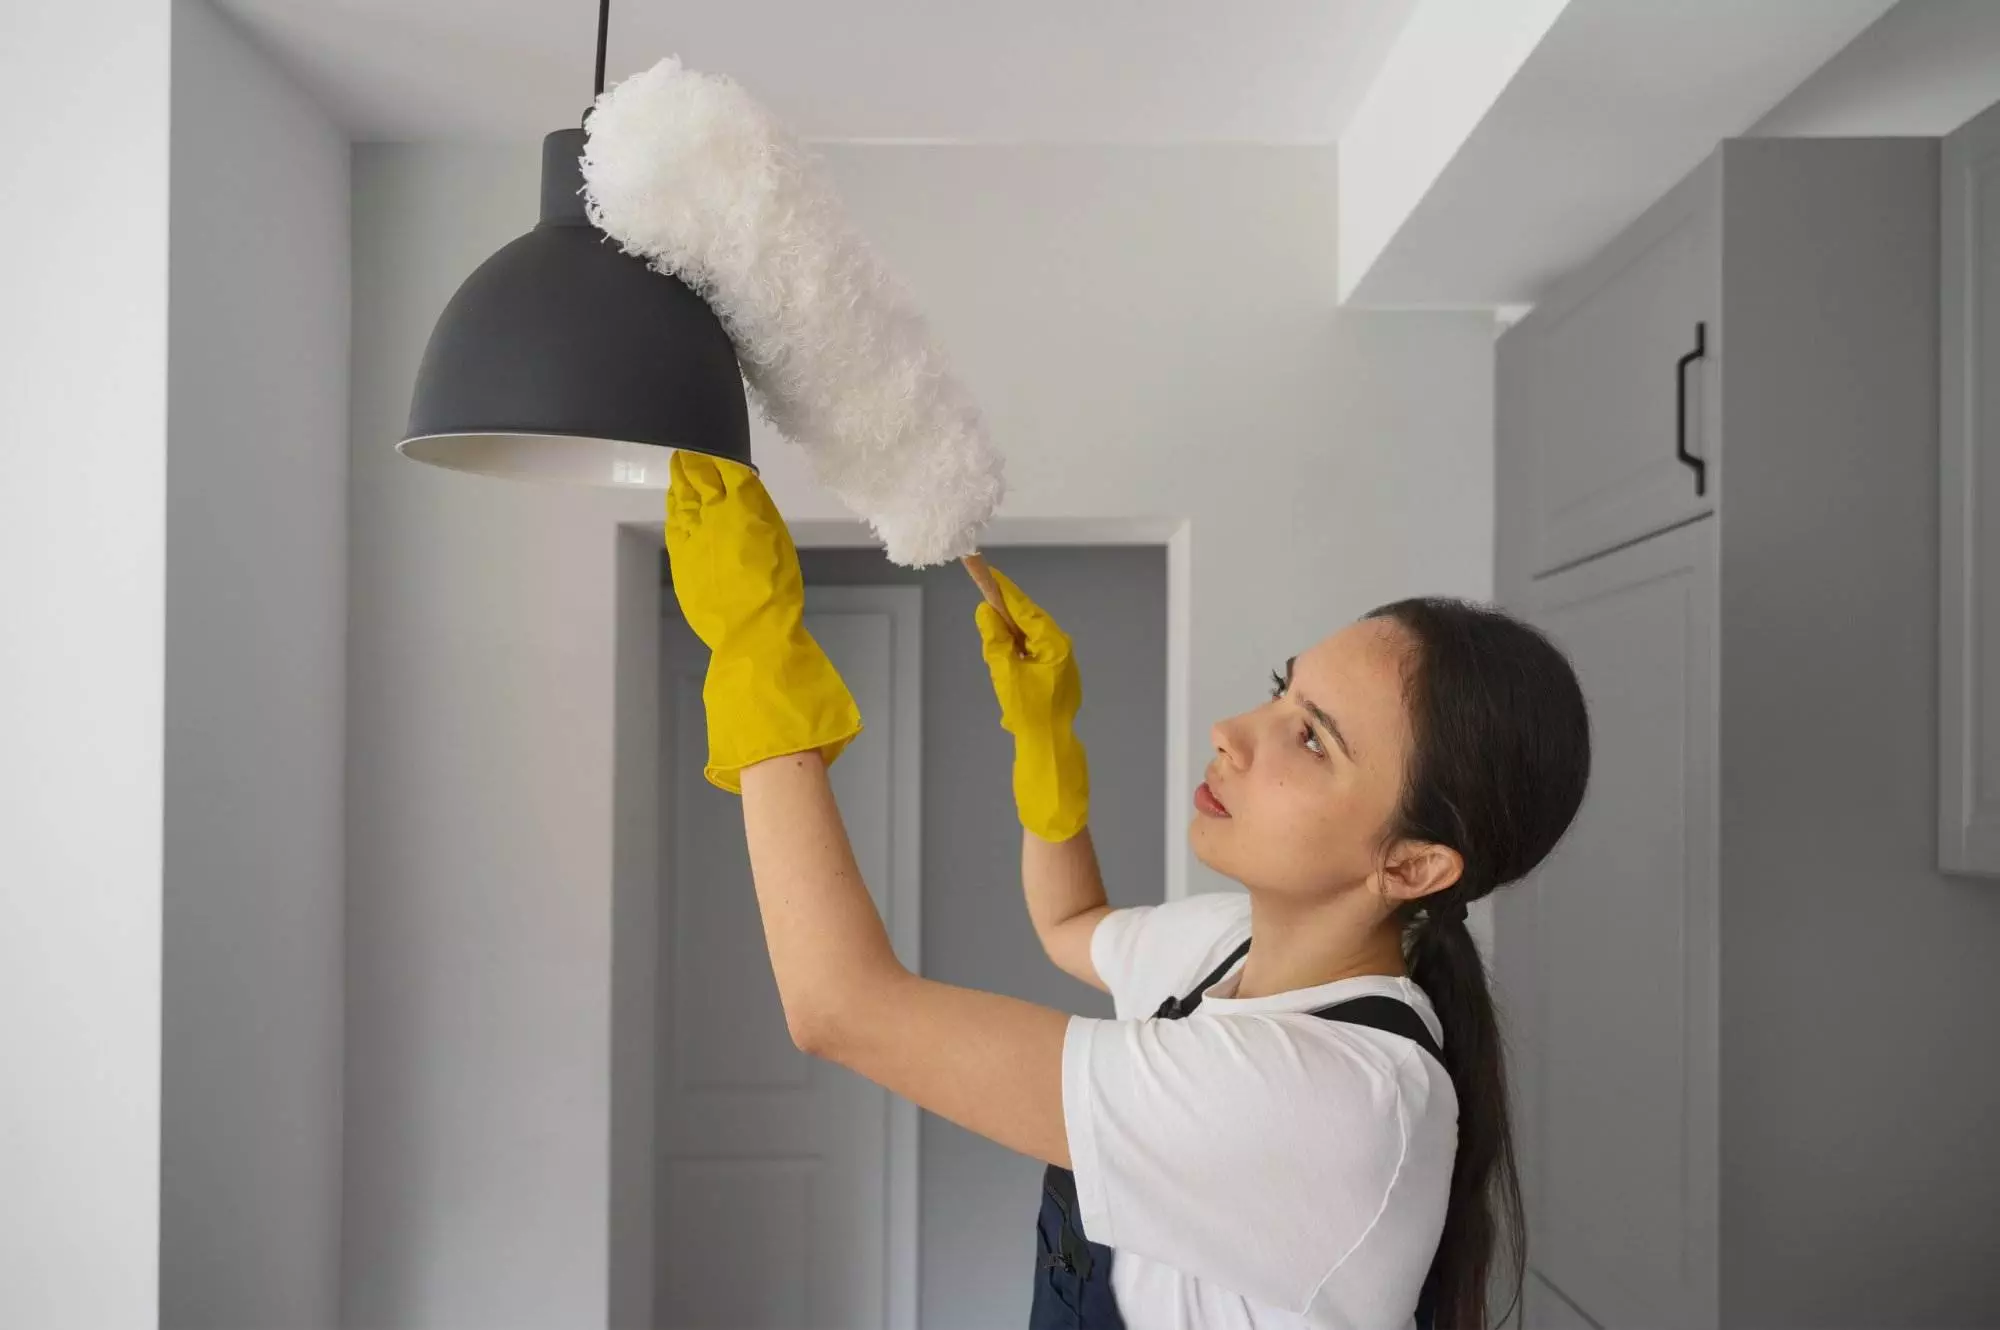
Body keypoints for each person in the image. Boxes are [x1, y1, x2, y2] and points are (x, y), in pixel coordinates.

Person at [665, 451, 1592, 1329]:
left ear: (1413, 865)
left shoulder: (1339, 1101)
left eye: (1312, 738)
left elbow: (840, 1007)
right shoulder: (1234, 948)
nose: (1233, 730)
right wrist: (1045, 745)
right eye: (1281, 689)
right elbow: (1073, 924)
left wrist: (754, 656)